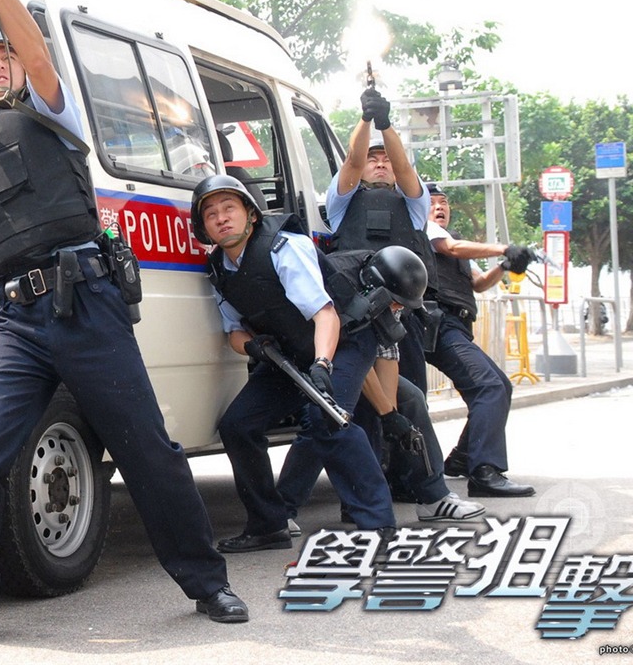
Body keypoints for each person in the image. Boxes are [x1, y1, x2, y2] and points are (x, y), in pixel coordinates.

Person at [0, 0, 247, 651]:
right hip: (16, 320)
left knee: (149, 451)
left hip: (87, 301)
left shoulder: (53, 111)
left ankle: (207, 582)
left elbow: (38, 56)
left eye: (1, 53)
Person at [194, 174, 396, 553]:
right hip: (287, 353)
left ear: (251, 215)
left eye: (229, 208)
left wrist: (322, 365)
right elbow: (233, 333)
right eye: (211, 214)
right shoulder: (220, 268)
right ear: (203, 227)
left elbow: (325, 315)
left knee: (327, 417)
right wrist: (254, 347)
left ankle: (378, 525)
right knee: (238, 425)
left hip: (345, 340)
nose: (221, 218)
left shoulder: (283, 246)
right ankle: (269, 524)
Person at [274, 247, 486, 525]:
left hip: (353, 361)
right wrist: (386, 413)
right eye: (396, 303)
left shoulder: (390, 294)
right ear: (373, 284)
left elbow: (385, 357)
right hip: (314, 359)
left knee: (411, 398)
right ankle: (281, 511)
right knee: (327, 414)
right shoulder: (341, 288)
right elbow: (356, 369)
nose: (397, 309)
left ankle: (433, 497)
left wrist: (394, 418)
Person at [425, 183, 536, 497]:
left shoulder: (454, 240)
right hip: (438, 323)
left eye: (444, 202)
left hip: (457, 325)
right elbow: (452, 249)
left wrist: (504, 266)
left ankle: (462, 457)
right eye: (432, 202)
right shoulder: (426, 230)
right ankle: (485, 472)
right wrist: (503, 248)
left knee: (501, 384)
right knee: (488, 386)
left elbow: (479, 283)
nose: (440, 207)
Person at [327, 87, 434, 394]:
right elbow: (352, 162)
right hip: (352, 312)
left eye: (386, 158)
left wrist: (385, 125)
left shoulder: (415, 203)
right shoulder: (342, 202)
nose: (381, 164)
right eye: (373, 159)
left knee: (412, 399)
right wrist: (365, 119)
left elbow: (403, 168)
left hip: (402, 314)